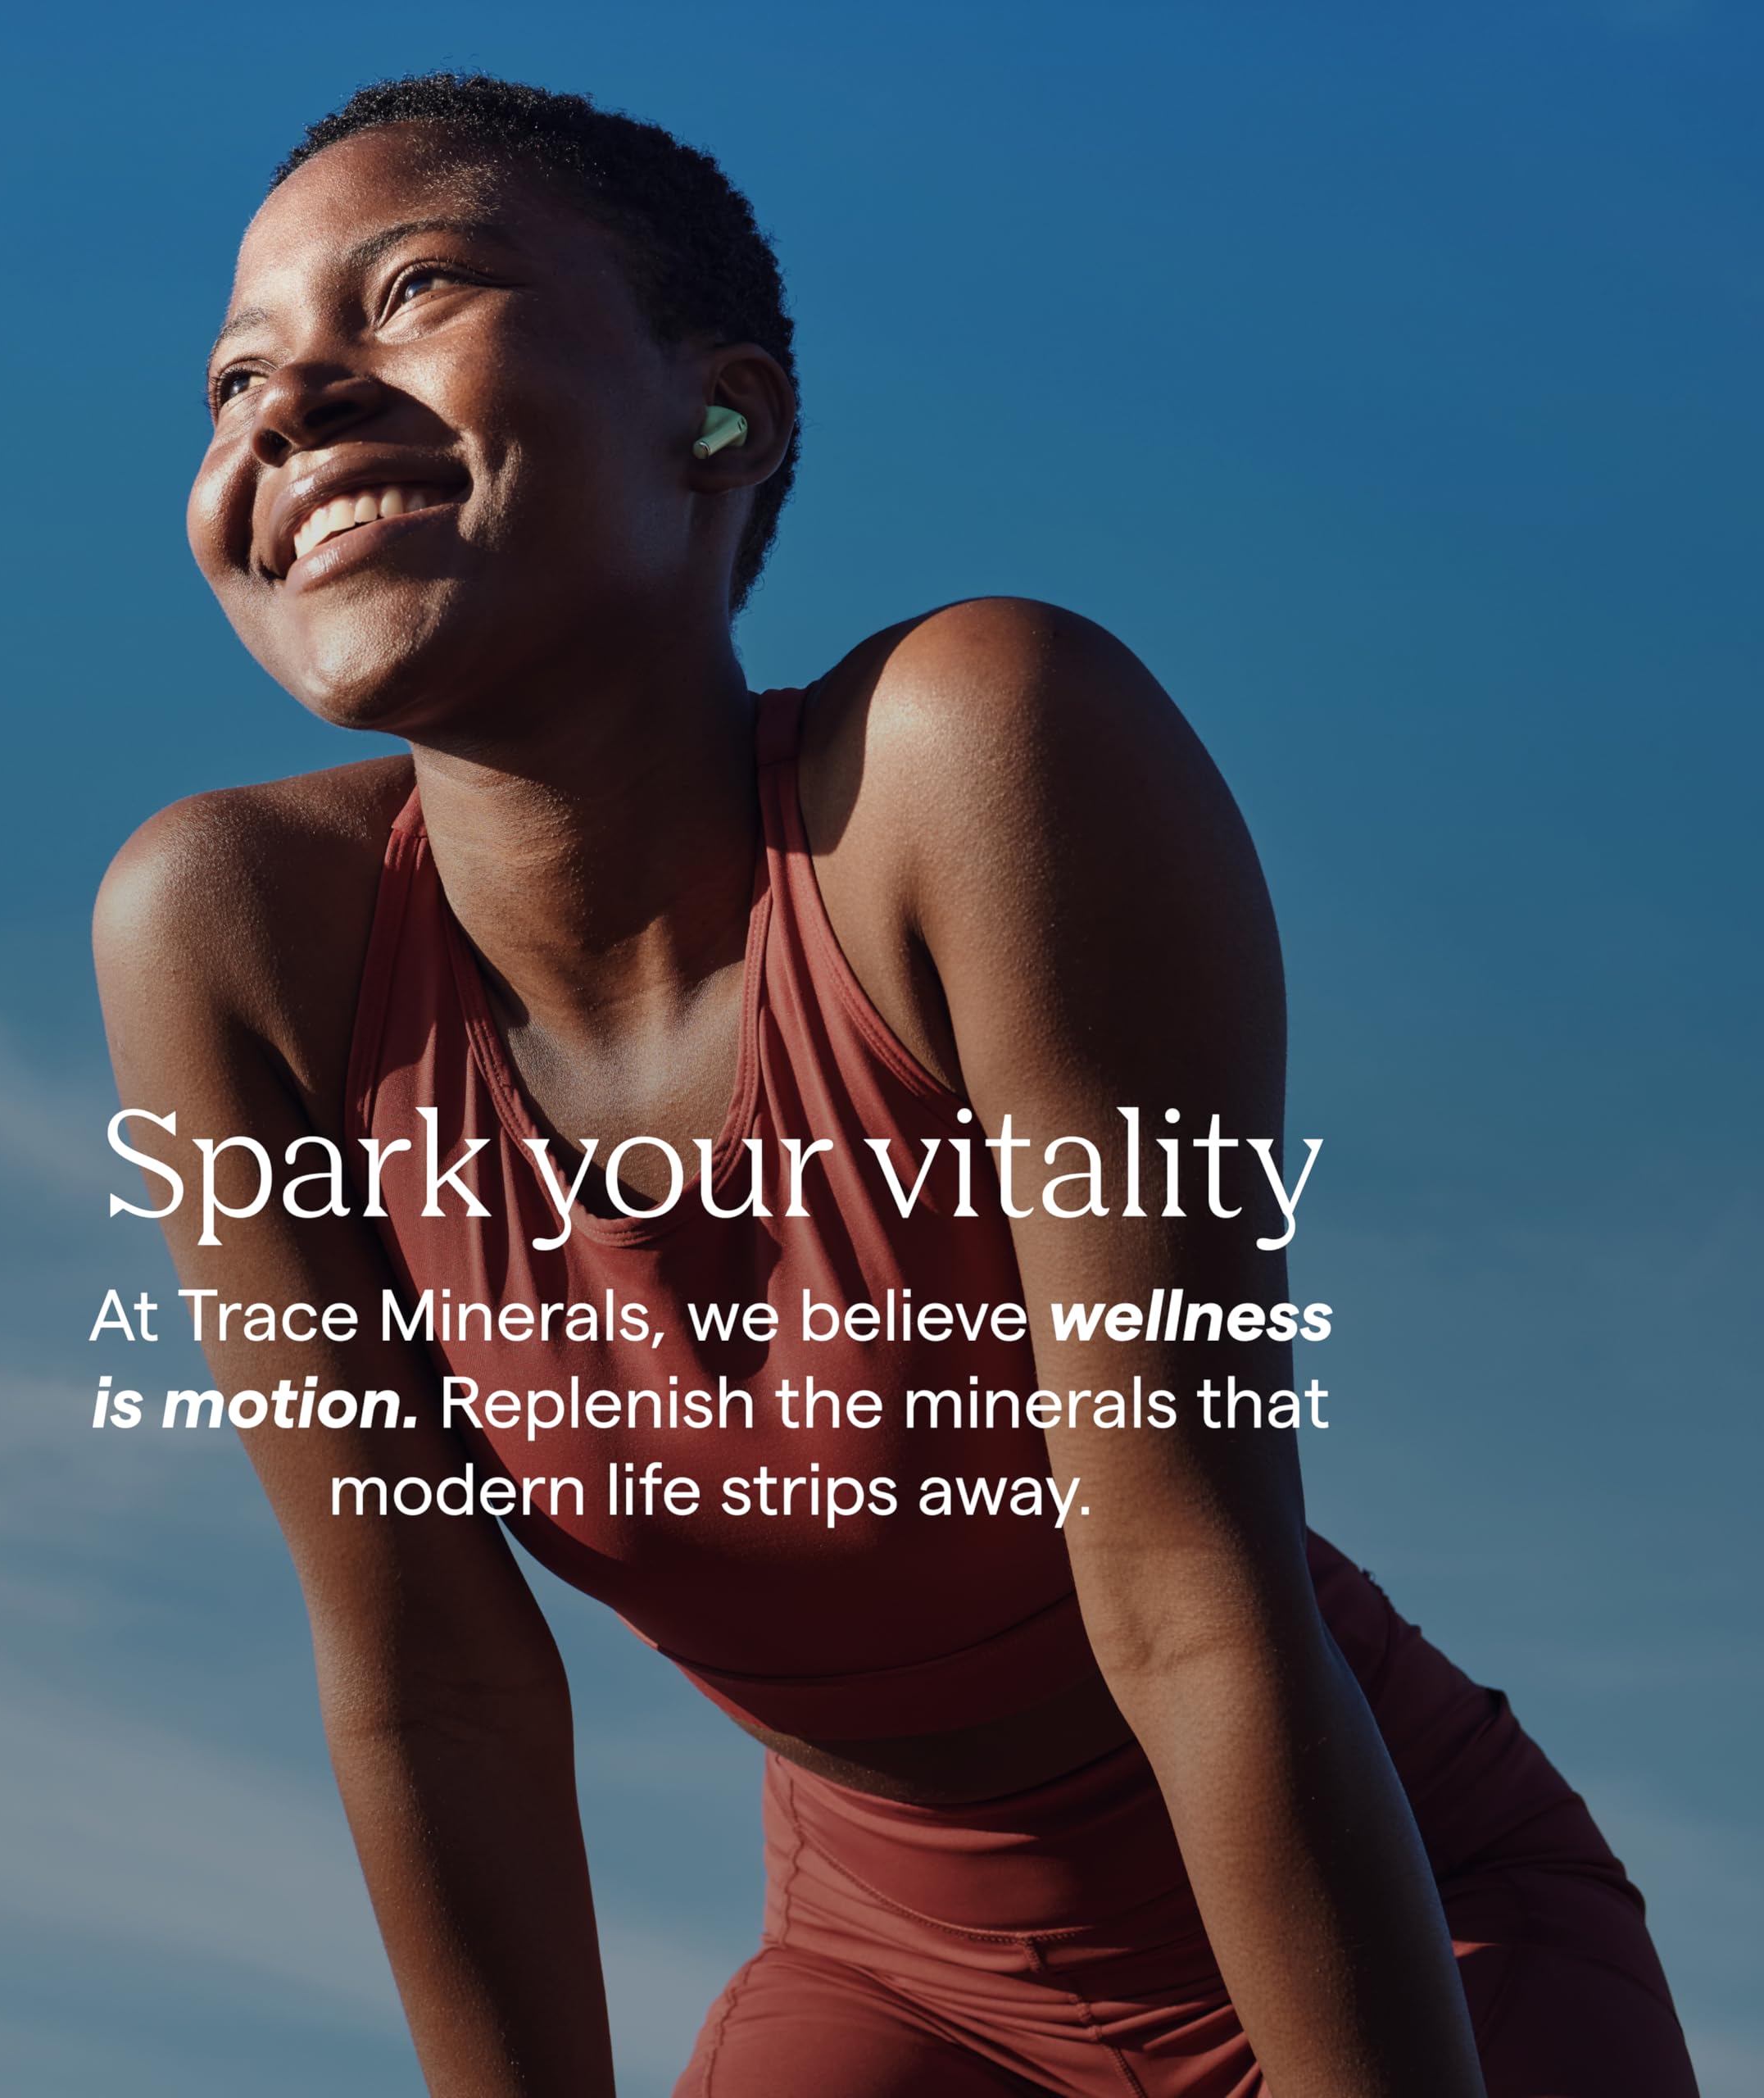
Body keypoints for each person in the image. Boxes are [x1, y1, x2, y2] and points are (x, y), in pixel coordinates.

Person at [92, 73, 1698, 2098]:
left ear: (722, 418)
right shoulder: (227, 933)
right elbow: (433, 1680)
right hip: (893, 1983)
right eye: (235, 374)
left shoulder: (970, 761)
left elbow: (1187, 1587)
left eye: (410, 290)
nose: (288, 400)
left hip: (1386, 1928)